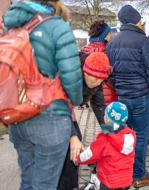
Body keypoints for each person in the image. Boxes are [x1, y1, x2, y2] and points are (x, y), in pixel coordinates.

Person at [4, 0, 83, 189]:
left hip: (17, 118)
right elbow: (71, 74)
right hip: (50, 117)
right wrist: (77, 99)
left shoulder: (10, 26)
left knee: (28, 182)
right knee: (45, 184)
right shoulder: (57, 25)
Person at [105, 5, 149, 188]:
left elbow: (109, 73)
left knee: (125, 136)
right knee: (141, 136)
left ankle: (125, 173)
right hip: (143, 95)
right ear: (137, 20)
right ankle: (138, 175)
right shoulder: (143, 41)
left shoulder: (112, 42)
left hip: (123, 96)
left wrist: (120, 86)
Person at [58, 52, 112, 190]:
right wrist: (72, 135)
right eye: (95, 80)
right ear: (84, 71)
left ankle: (71, 185)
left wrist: (110, 133)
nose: (97, 84)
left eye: (101, 81)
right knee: (68, 144)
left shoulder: (97, 78)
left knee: (75, 147)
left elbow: (100, 107)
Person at [78, 101, 136, 190]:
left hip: (109, 182)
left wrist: (79, 158)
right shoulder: (130, 135)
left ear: (106, 119)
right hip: (126, 181)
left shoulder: (105, 139)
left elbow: (91, 154)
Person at [81, 19, 117, 106]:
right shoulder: (109, 51)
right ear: (104, 35)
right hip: (108, 93)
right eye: (109, 33)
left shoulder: (85, 49)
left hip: (91, 92)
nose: (111, 35)